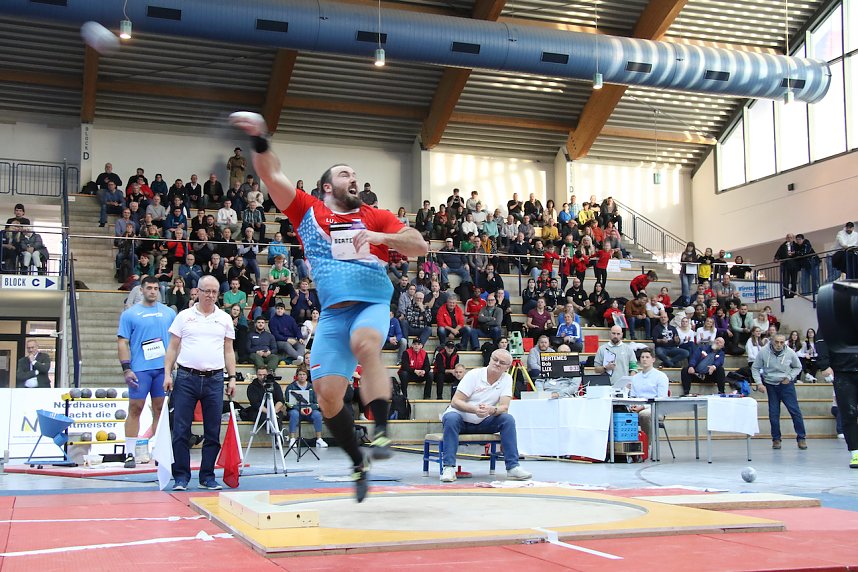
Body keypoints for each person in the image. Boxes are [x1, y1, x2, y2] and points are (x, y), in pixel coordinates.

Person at [230, 111, 428, 502]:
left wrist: (374, 235)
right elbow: (272, 176)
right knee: (327, 394)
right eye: (344, 174)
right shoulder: (308, 211)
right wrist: (260, 139)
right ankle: (358, 462)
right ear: (325, 187)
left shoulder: (375, 216)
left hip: (372, 300)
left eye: (355, 175)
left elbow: (419, 245)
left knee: (367, 344)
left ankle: (383, 430)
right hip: (334, 313)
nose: (353, 179)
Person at [163, 274, 237, 491]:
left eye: (214, 292)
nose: (211, 295)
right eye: (207, 291)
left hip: (214, 379)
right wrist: (168, 374)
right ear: (197, 291)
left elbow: (229, 350)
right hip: (186, 378)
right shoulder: (184, 316)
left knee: (213, 430)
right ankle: (181, 477)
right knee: (181, 429)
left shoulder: (224, 318)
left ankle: (207, 476)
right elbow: (173, 347)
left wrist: (232, 377)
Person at [439, 349, 531, 483]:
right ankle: (448, 467)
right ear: (490, 359)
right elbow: (456, 401)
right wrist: (474, 409)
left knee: (508, 419)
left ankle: (513, 467)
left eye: (502, 362)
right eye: (495, 359)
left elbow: (504, 407)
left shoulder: (507, 379)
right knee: (451, 418)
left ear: (507, 367)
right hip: (460, 420)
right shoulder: (474, 375)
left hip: (484, 421)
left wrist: (492, 410)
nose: (497, 363)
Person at [751, 333, 806, 450]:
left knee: (795, 411)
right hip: (770, 385)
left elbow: (798, 367)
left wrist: (790, 377)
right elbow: (755, 368)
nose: (779, 345)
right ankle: (776, 439)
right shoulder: (763, 352)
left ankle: (801, 438)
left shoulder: (790, 352)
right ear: (772, 341)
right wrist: (759, 383)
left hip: (786, 385)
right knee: (774, 413)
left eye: (782, 342)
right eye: (776, 342)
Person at [816, 329, 858, 467]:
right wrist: (824, 364)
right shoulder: (832, 315)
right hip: (843, 372)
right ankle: (855, 453)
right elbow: (821, 339)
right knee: (848, 413)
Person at [627, 348, 669, 454]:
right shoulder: (635, 378)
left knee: (644, 415)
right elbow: (633, 397)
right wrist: (633, 406)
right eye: (642, 357)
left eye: (647, 357)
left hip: (656, 408)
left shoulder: (661, 376)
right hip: (638, 407)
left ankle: (646, 446)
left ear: (653, 359)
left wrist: (643, 407)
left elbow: (661, 399)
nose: (644, 360)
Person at [285, 365, 328, 448]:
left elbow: (317, 402)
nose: (302, 376)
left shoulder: (312, 387)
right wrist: (300, 409)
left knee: (317, 414)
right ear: (297, 376)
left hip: (309, 410)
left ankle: (319, 439)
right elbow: (288, 403)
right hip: (296, 410)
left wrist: (311, 408)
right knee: (294, 414)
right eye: (300, 374)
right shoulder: (291, 387)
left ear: (307, 376)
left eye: (304, 374)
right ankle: (292, 439)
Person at [773, 233, 799, 298]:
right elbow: (777, 254)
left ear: (793, 238)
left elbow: (799, 253)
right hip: (785, 265)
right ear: (786, 238)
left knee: (794, 280)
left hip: (794, 265)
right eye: (788, 237)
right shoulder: (782, 246)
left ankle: (792, 294)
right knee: (785, 281)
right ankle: (786, 295)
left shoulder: (796, 245)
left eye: (791, 237)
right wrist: (776, 259)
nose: (789, 239)